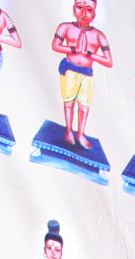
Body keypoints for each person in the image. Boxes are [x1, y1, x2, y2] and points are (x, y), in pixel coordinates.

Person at [50, 0, 113, 150]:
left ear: (94, 14)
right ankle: (69, 131)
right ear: (74, 9)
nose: (84, 13)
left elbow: (109, 61)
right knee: (69, 102)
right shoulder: (65, 27)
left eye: (89, 9)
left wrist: (90, 54)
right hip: (69, 69)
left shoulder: (99, 36)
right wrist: (73, 50)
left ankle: (80, 134)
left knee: (84, 106)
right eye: (79, 7)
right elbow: (55, 45)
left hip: (86, 73)